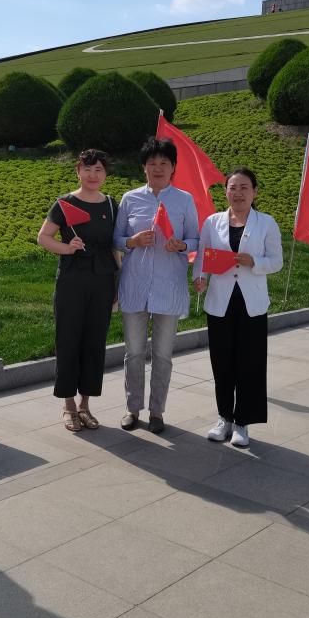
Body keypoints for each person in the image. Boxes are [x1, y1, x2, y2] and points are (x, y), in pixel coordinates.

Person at [113, 137, 199, 434]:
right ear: (144, 167)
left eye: (164, 163)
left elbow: (196, 238)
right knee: (134, 352)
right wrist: (132, 241)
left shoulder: (184, 200)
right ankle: (132, 408)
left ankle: (157, 412)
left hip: (168, 287)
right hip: (135, 285)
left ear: (173, 167)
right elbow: (116, 238)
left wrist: (182, 245)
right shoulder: (130, 199)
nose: (158, 168)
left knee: (163, 355)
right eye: (152, 163)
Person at [193, 168, 283, 447]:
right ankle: (225, 418)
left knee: (250, 362)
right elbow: (203, 255)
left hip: (251, 304)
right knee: (222, 362)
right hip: (220, 302)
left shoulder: (266, 223)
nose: (238, 193)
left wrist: (254, 261)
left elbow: (276, 261)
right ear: (226, 192)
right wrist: (199, 278)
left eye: (244, 187)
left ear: (255, 191)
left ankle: (243, 422)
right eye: (232, 188)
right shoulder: (212, 222)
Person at [37, 149, 119, 432]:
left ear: (105, 174)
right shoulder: (64, 203)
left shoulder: (111, 204)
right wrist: (67, 248)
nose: (93, 175)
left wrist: (117, 285)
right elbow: (43, 237)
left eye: (98, 170)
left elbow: (114, 246)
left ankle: (85, 405)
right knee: (68, 340)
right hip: (72, 280)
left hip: (102, 280)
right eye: (87, 169)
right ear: (78, 171)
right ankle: (69, 405)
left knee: (95, 342)